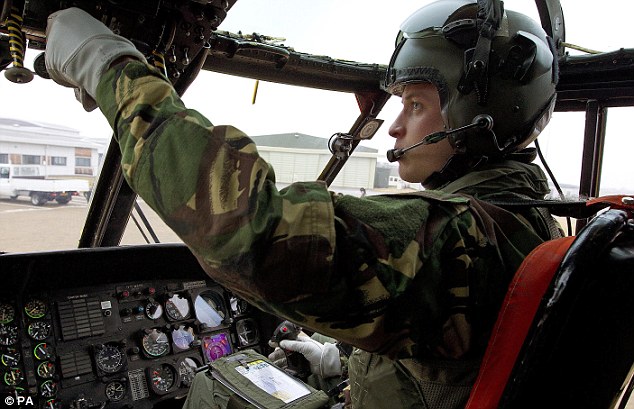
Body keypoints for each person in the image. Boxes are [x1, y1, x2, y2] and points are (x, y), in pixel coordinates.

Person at [44, 0, 561, 407]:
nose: (397, 126)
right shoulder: (531, 221)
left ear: (477, 114)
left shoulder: (468, 237)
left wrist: (109, 67)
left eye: (416, 103)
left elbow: (258, 232)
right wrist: (342, 366)